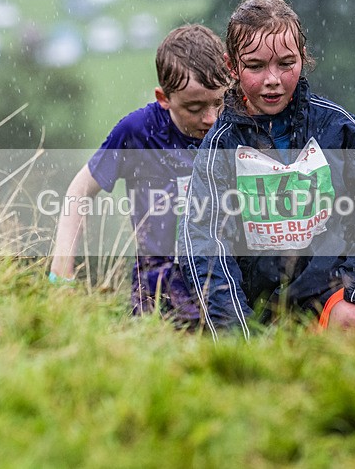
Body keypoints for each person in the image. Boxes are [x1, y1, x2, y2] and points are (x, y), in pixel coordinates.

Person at [179, 0, 355, 338]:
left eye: (286, 63)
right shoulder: (219, 147)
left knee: (350, 321)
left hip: (332, 294)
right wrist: (239, 336)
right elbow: (203, 244)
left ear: (303, 57)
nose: (273, 79)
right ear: (232, 67)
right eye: (256, 66)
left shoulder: (336, 127)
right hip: (255, 307)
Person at [49, 24, 229, 327]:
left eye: (218, 102)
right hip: (155, 301)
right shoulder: (137, 132)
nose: (210, 118)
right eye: (195, 107)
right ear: (164, 98)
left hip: (226, 293)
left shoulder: (234, 126)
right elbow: (79, 190)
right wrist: (61, 277)